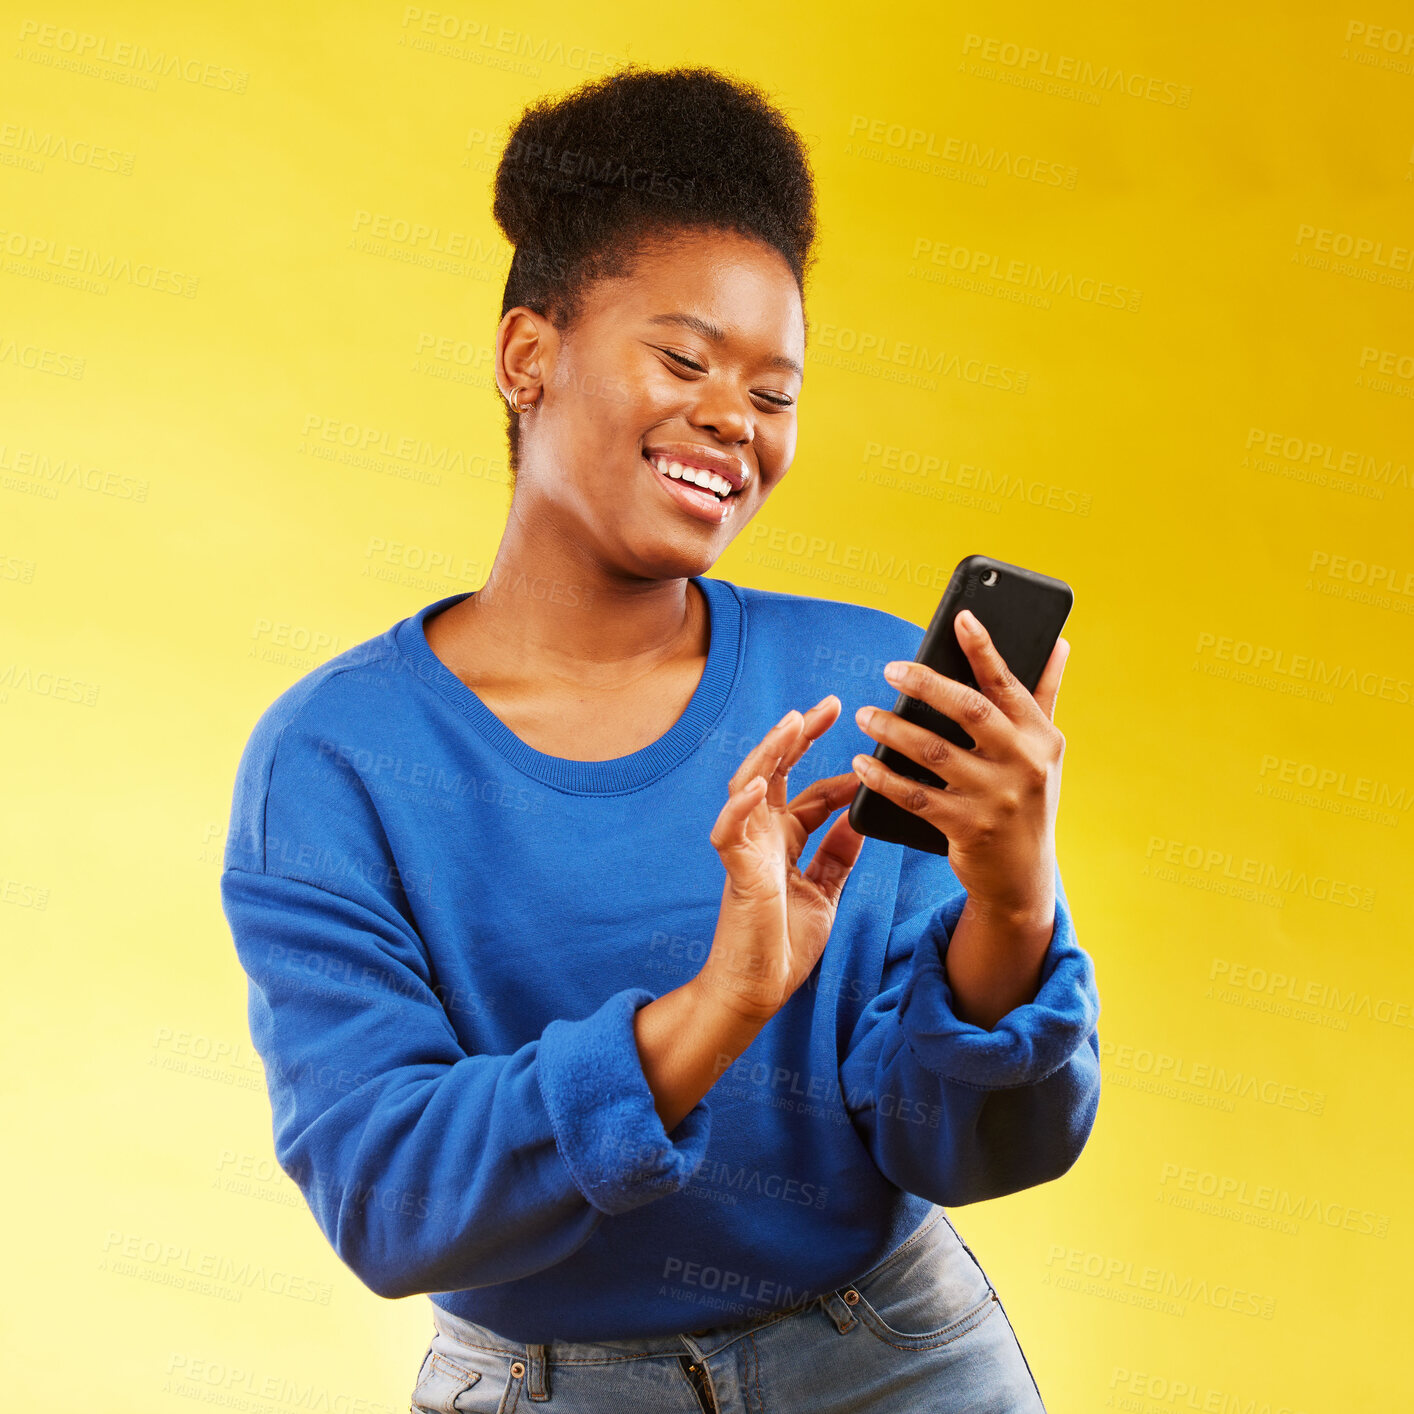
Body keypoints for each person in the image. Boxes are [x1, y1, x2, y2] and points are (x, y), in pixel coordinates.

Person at [219, 63, 1101, 1414]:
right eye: (684, 358)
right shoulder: (336, 762)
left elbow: (965, 1138)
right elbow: (389, 1195)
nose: (730, 420)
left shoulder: (853, 684)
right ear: (529, 355)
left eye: (773, 390)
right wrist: (713, 1006)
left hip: (898, 1361)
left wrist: (1010, 894)